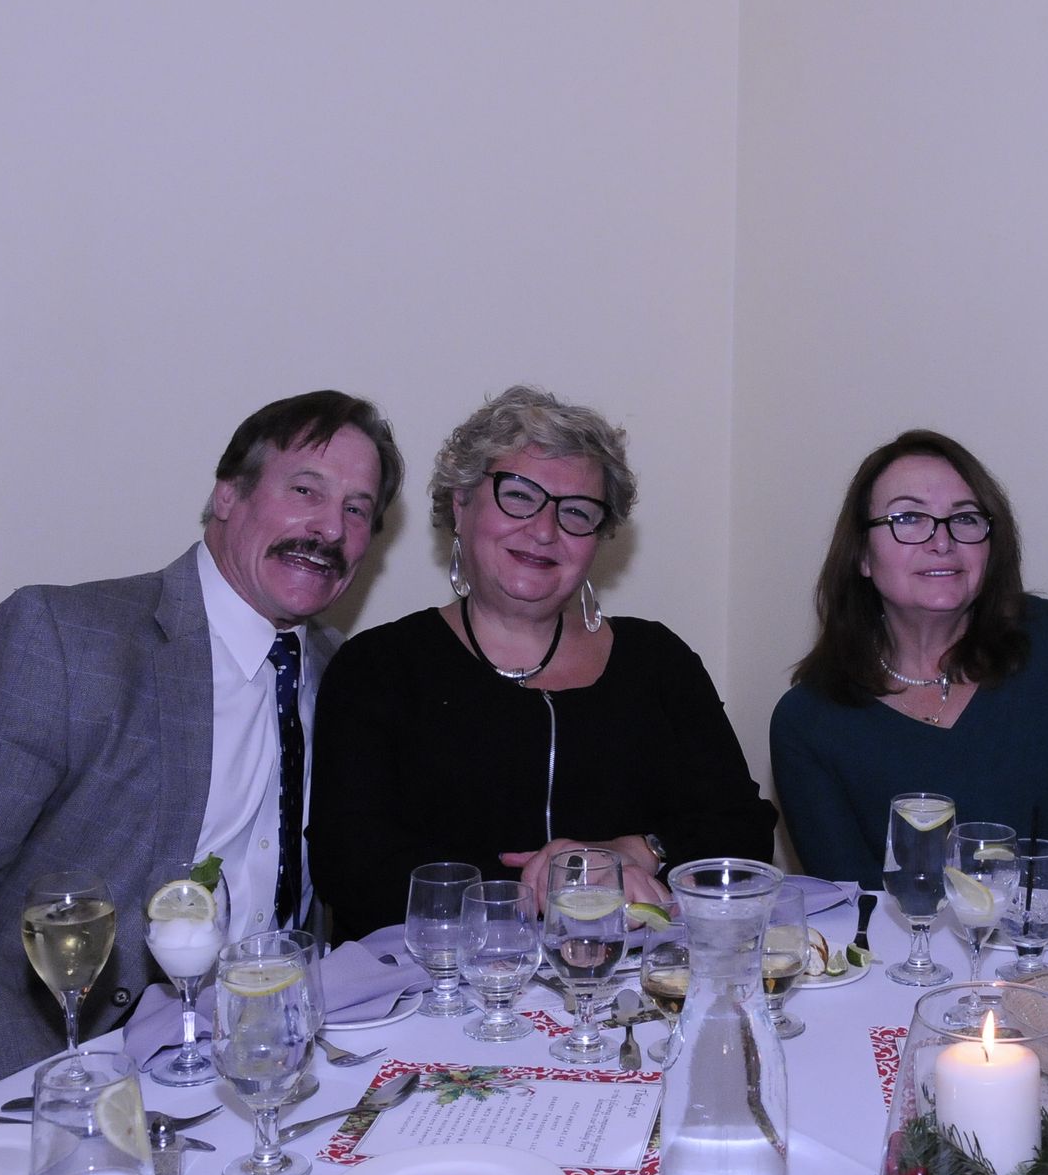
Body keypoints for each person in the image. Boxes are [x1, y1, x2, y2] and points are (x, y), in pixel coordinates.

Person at [0, 390, 403, 1146]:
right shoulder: (69, 642)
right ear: (228, 494)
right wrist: (42, 1084)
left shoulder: (343, 677)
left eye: (359, 510)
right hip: (38, 1081)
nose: (329, 529)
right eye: (305, 489)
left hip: (252, 1091)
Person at [308, 386, 774, 941]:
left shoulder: (659, 663)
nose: (545, 530)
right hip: (441, 1005)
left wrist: (641, 850)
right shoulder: (377, 670)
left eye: (577, 512)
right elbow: (353, 872)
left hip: (636, 995)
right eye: (520, 495)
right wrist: (547, 888)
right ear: (461, 505)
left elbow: (745, 834)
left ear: (598, 540)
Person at [770, 430, 1048, 903]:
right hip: (921, 972)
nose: (943, 541)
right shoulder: (810, 722)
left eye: (965, 518)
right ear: (861, 556)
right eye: (909, 518)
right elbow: (858, 908)